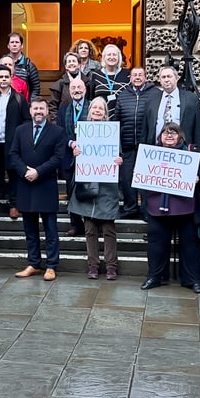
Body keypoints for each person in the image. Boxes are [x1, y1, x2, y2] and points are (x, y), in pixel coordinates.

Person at [141, 122, 200, 294]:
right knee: (156, 244)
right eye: (165, 133)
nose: (169, 136)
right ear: (160, 137)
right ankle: (155, 276)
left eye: (173, 133)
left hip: (185, 206)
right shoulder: (151, 154)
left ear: (180, 136)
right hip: (157, 206)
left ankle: (193, 280)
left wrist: (198, 177)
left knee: (190, 245)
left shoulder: (192, 152)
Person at [11, 98, 66, 281]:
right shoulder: (20, 130)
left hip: (46, 185)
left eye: (42, 108)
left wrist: (38, 172)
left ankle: (51, 266)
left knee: (50, 229)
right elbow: (13, 154)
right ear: (30, 110)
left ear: (47, 111)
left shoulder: (57, 132)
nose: (38, 111)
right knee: (30, 229)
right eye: (35, 108)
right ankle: (33, 263)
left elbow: (58, 158)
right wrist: (24, 171)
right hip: (25, 184)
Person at [68, 97, 123, 280]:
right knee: (90, 229)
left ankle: (111, 267)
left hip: (107, 187)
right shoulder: (82, 131)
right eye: (94, 108)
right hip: (87, 184)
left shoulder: (112, 132)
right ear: (90, 110)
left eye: (101, 108)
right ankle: (92, 265)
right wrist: (74, 150)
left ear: (105, 112)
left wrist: (119, 160)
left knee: (108, 229)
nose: (97, 110)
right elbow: (75, 152)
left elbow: (119, 154)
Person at [0, 63, 31, 219]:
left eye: (6, 77)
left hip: (13, 143)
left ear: (11, 79)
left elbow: (26, 120)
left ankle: (14, 204)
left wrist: (21, 140)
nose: (3, 79)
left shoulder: (19, 98)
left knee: (14, 174)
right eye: (0, 77)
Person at [113, 66, 161, 218]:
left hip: (147, 145)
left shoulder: (155, 94)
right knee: (127, 179)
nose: (138, 77)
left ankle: (147, 210)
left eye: (140, 75)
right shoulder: (123, 95)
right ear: (130, 78)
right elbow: (117, 119)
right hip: (127, 144)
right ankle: (130, 208)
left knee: (146, 180)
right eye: (135, 75)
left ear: (146, 77)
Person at [142, 65, 200, 151]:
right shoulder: (152, 100)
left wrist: (199, 150)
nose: (166, 80)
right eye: (163, 77)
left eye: (169, 76)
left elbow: (198, 128)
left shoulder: (190, 99)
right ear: (160, 80)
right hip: (156, 149)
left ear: (176, 78)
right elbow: (145, 128)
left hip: (183, 149)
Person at [56, 77, 88, 236]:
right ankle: (76, 224)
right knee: (71, 192)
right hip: (69, 157)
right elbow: (60, 132)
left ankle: (89, 224)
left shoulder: (91, 107)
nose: (77, 90)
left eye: (80, 88)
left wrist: (83, 145)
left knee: (89, 191)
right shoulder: (64, 108)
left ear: (85, 90)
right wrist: (71, 144)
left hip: (89, 157)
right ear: (69, 91)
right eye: (74, 88)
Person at [88, 43, 130, 119]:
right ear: (104, 57)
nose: (111, 57)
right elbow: (91, 99)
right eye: (109, 55)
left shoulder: (127, 74)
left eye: (114, 55)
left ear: (119, 57)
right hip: (100, 118)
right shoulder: (96, 75)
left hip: (123, 117)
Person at [48, 51, 89, 122]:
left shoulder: (87, 82)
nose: (71, 63)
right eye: (69, 62)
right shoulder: (59, 84)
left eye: (74, 61)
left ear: (79, 64)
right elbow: (53, 107)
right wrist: (56, 123)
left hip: (84, 122)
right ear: (66, 66)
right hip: (64, 122)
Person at [6, 32, 41, 100]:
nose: (14, 44)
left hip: (23, 104)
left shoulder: (29, 66)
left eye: (17, 42)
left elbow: (35, 88)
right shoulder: (1, 63)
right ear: (8, 45)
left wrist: (29, 105)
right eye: (12, 42)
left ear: (22, 45)